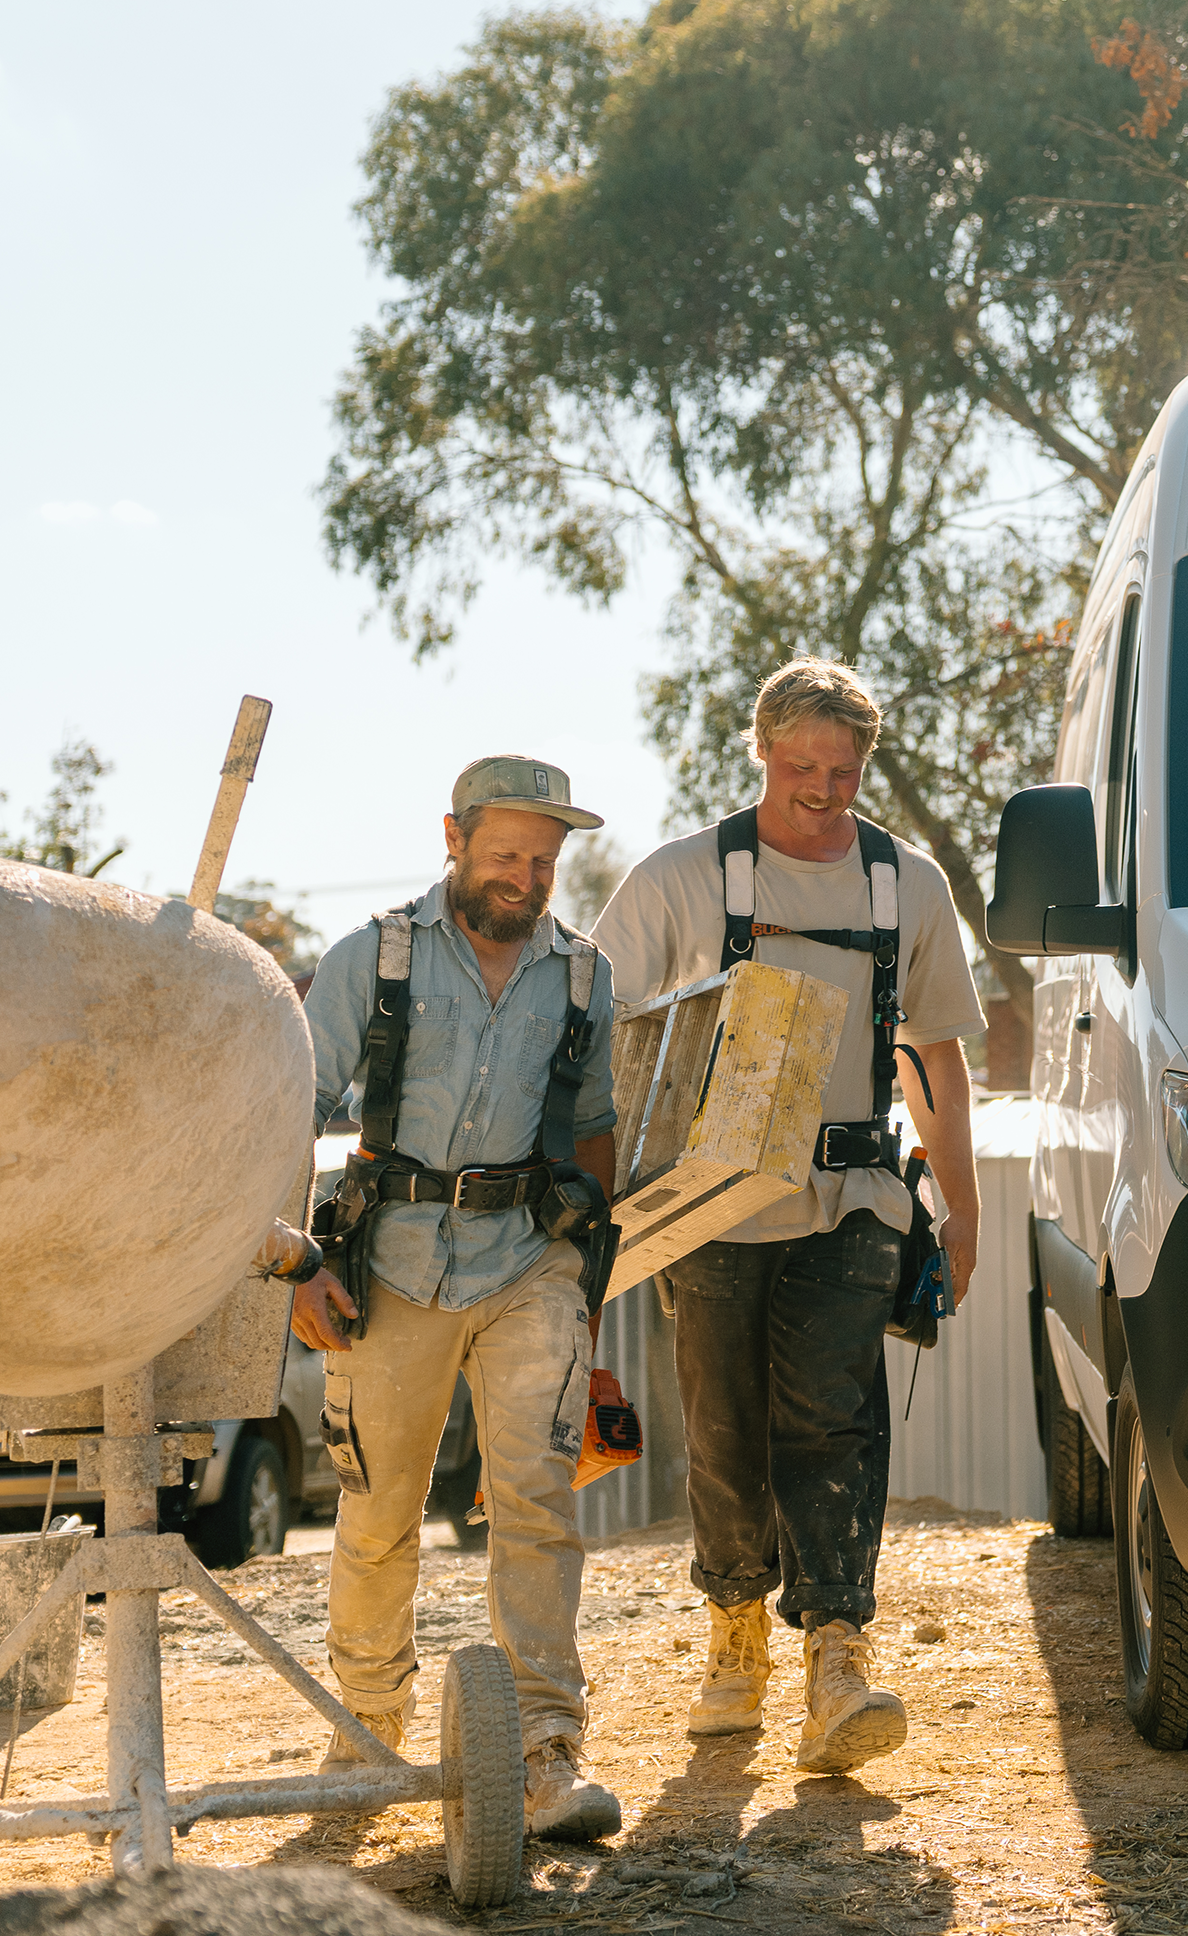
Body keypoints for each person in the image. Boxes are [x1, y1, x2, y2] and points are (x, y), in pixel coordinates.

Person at [593, 658, 986, 1774]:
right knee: (725, 1428)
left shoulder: (905, 883)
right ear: (761, 750)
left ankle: (838, 1656)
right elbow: (600, 1035)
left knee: (833, 1420)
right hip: (708, 1201)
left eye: (844, 769)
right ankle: (734, 1631)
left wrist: (955, 1210)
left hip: (853, 1192)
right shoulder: (679, 879)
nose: (823, 788)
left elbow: (941, 1064)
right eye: (802, 765)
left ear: (866, 762)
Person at [288, 756, 624, 1841]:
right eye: (503, 854)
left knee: (536, 1501)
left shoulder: (583, 975)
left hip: (530, 1265)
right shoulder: (372, 957)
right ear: (453, 838)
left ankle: (543, 1750)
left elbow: (595, 1131)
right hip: (389, 1269)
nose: (524, 877)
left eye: (542, 858)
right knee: (380, 1511)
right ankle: (365, 1735)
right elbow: (288, 1107)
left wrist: (588, 1288)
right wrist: (298, 1262)